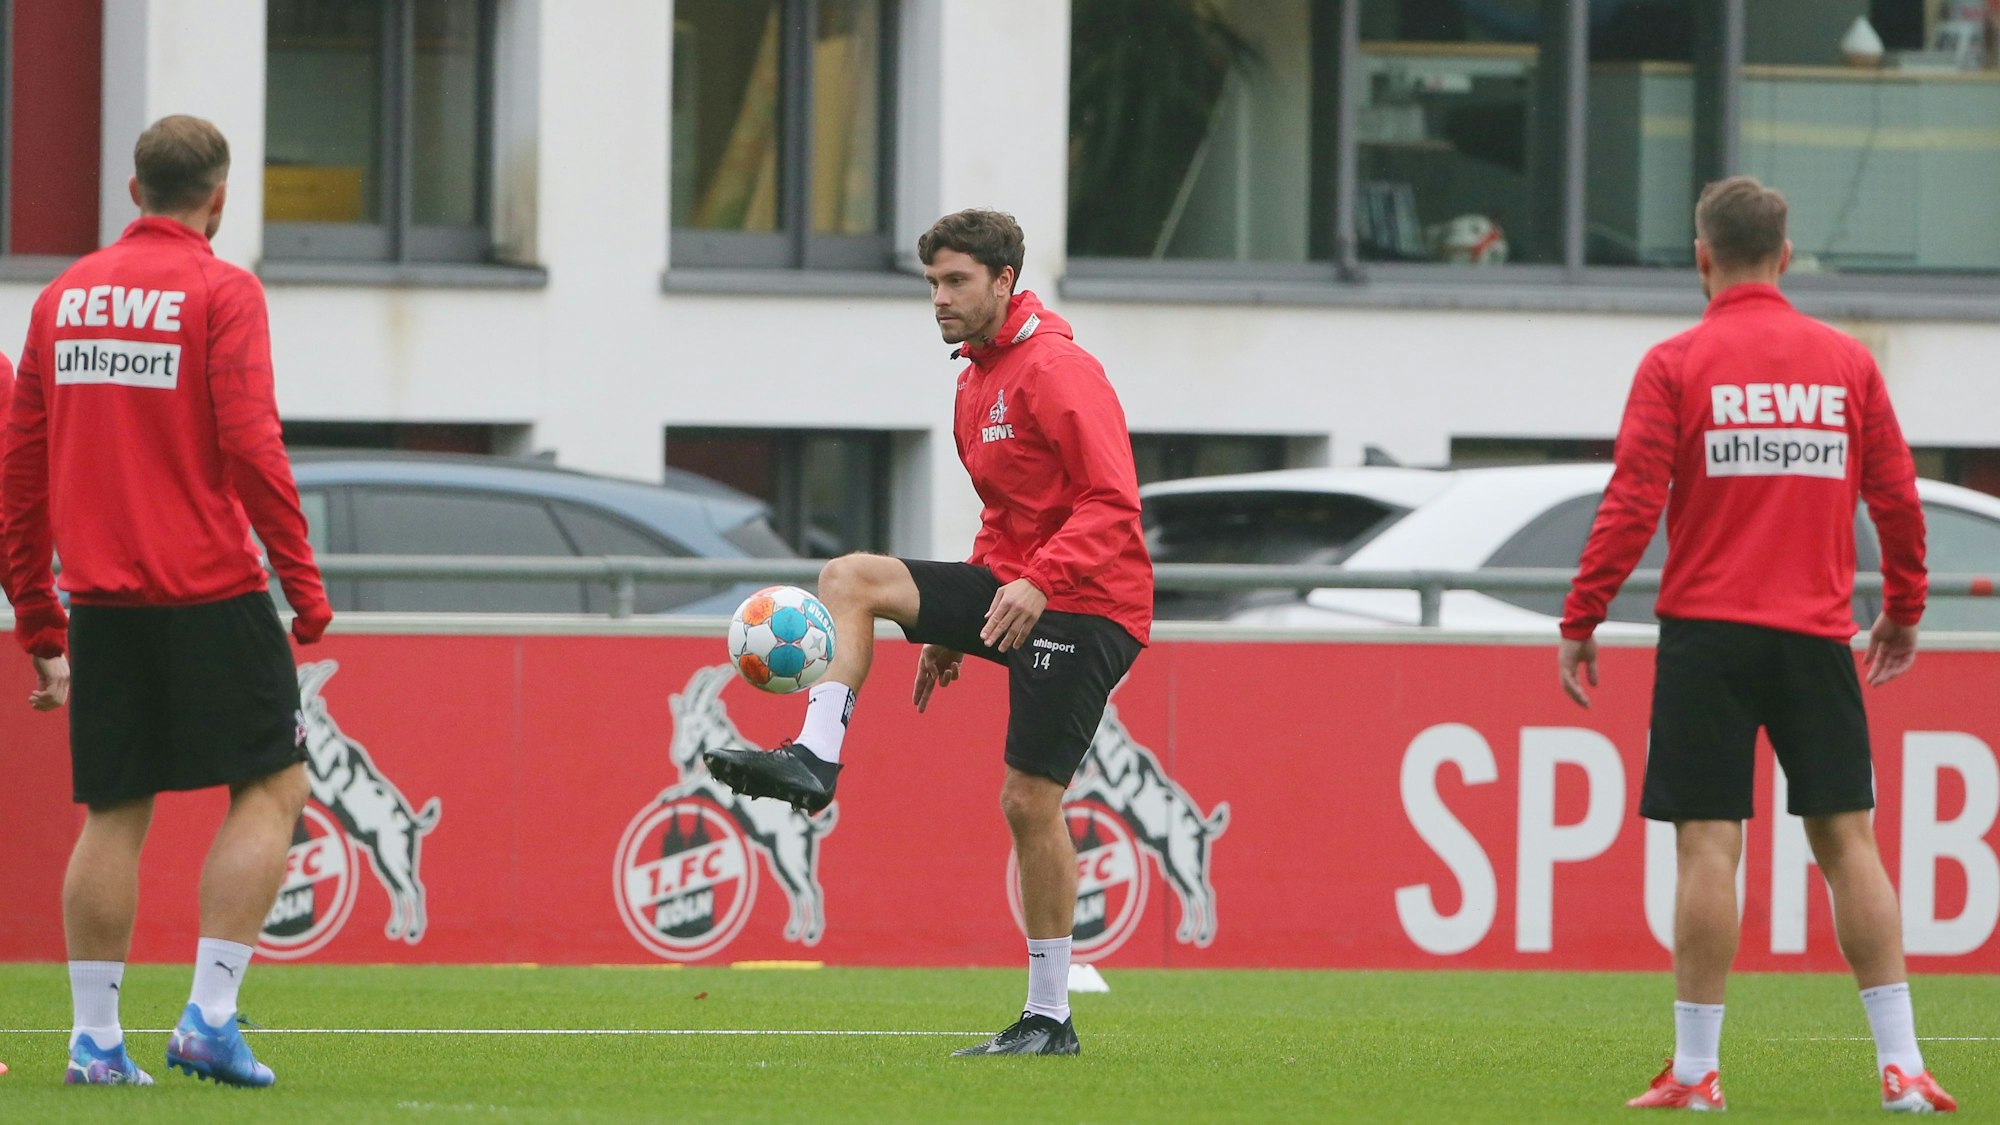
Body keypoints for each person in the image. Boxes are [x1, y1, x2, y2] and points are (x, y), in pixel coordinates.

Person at [704, 209, 1151, 1057]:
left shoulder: (1056, 369)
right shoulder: (974, 379)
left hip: (1090, 605)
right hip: (1021, 587)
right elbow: (1005, 515)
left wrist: (1036, 580)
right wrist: (953, 624)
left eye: (955, 282)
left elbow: (1114, 504)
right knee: (851, 580)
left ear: (1003, 282)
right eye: (932, 284)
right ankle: (814, 756)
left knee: (1028, 801)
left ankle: (1050, 1016)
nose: (939, 300)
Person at [1558, 176, 1955, 1114]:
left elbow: (1632, 499)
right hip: (1816, 633)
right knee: (1849, 842)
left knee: (1708, 846)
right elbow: (1896, 495)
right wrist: (1903, 605)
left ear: (1701, 258)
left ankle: (1697, 1073)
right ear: (1785, 256)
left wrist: (1582, 615)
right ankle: (1901, 1066)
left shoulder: (1676, 362)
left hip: (1707, 634)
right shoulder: (1846, 362)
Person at [1, 115, 332, 1089]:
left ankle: (94, 1042)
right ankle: (208, 1018)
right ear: (219, 198)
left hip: (101, 598)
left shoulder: (63, 298)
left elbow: (19, 472)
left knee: (114, 811)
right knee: (272, 785)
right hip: (210, 588)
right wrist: (301, 584)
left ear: (134, 192)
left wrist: (38, 617)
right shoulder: (220, 290)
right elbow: (250, 442)